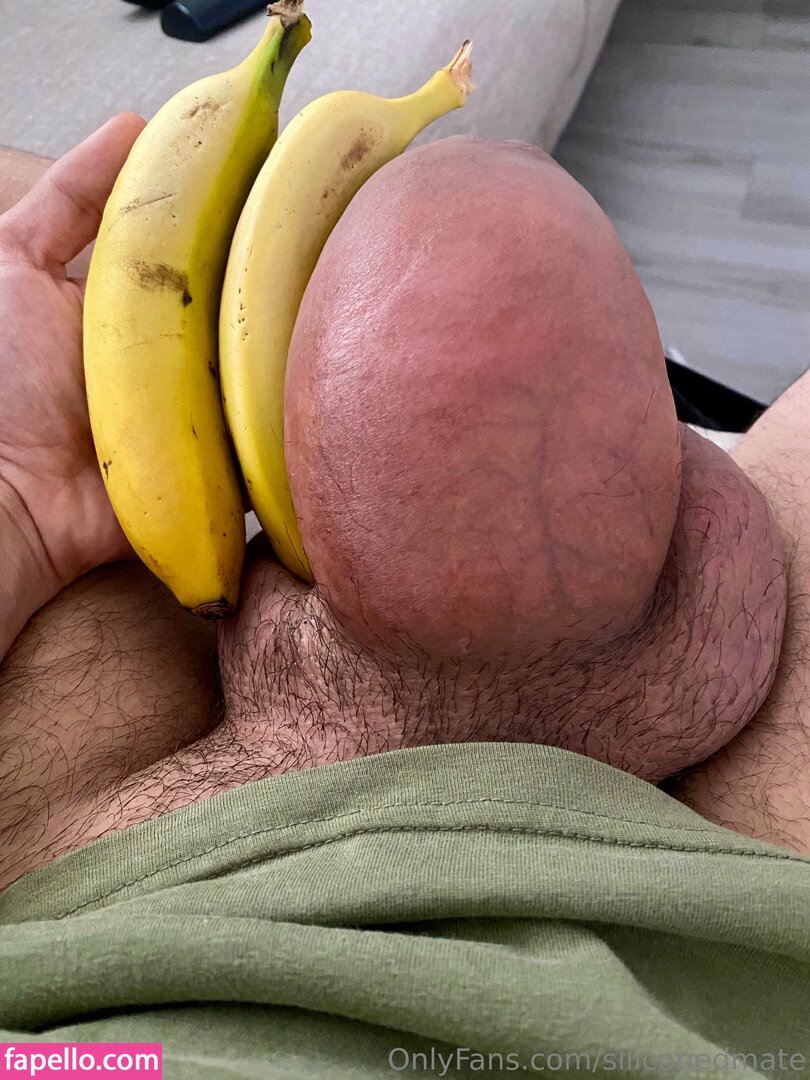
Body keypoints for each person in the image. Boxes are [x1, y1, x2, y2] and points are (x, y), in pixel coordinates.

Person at [0, 115, 807, 1077]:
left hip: (94, 951)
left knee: (55, 225)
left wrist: (18, 507)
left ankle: (410, 689)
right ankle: (475, 671)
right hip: (742, 958)